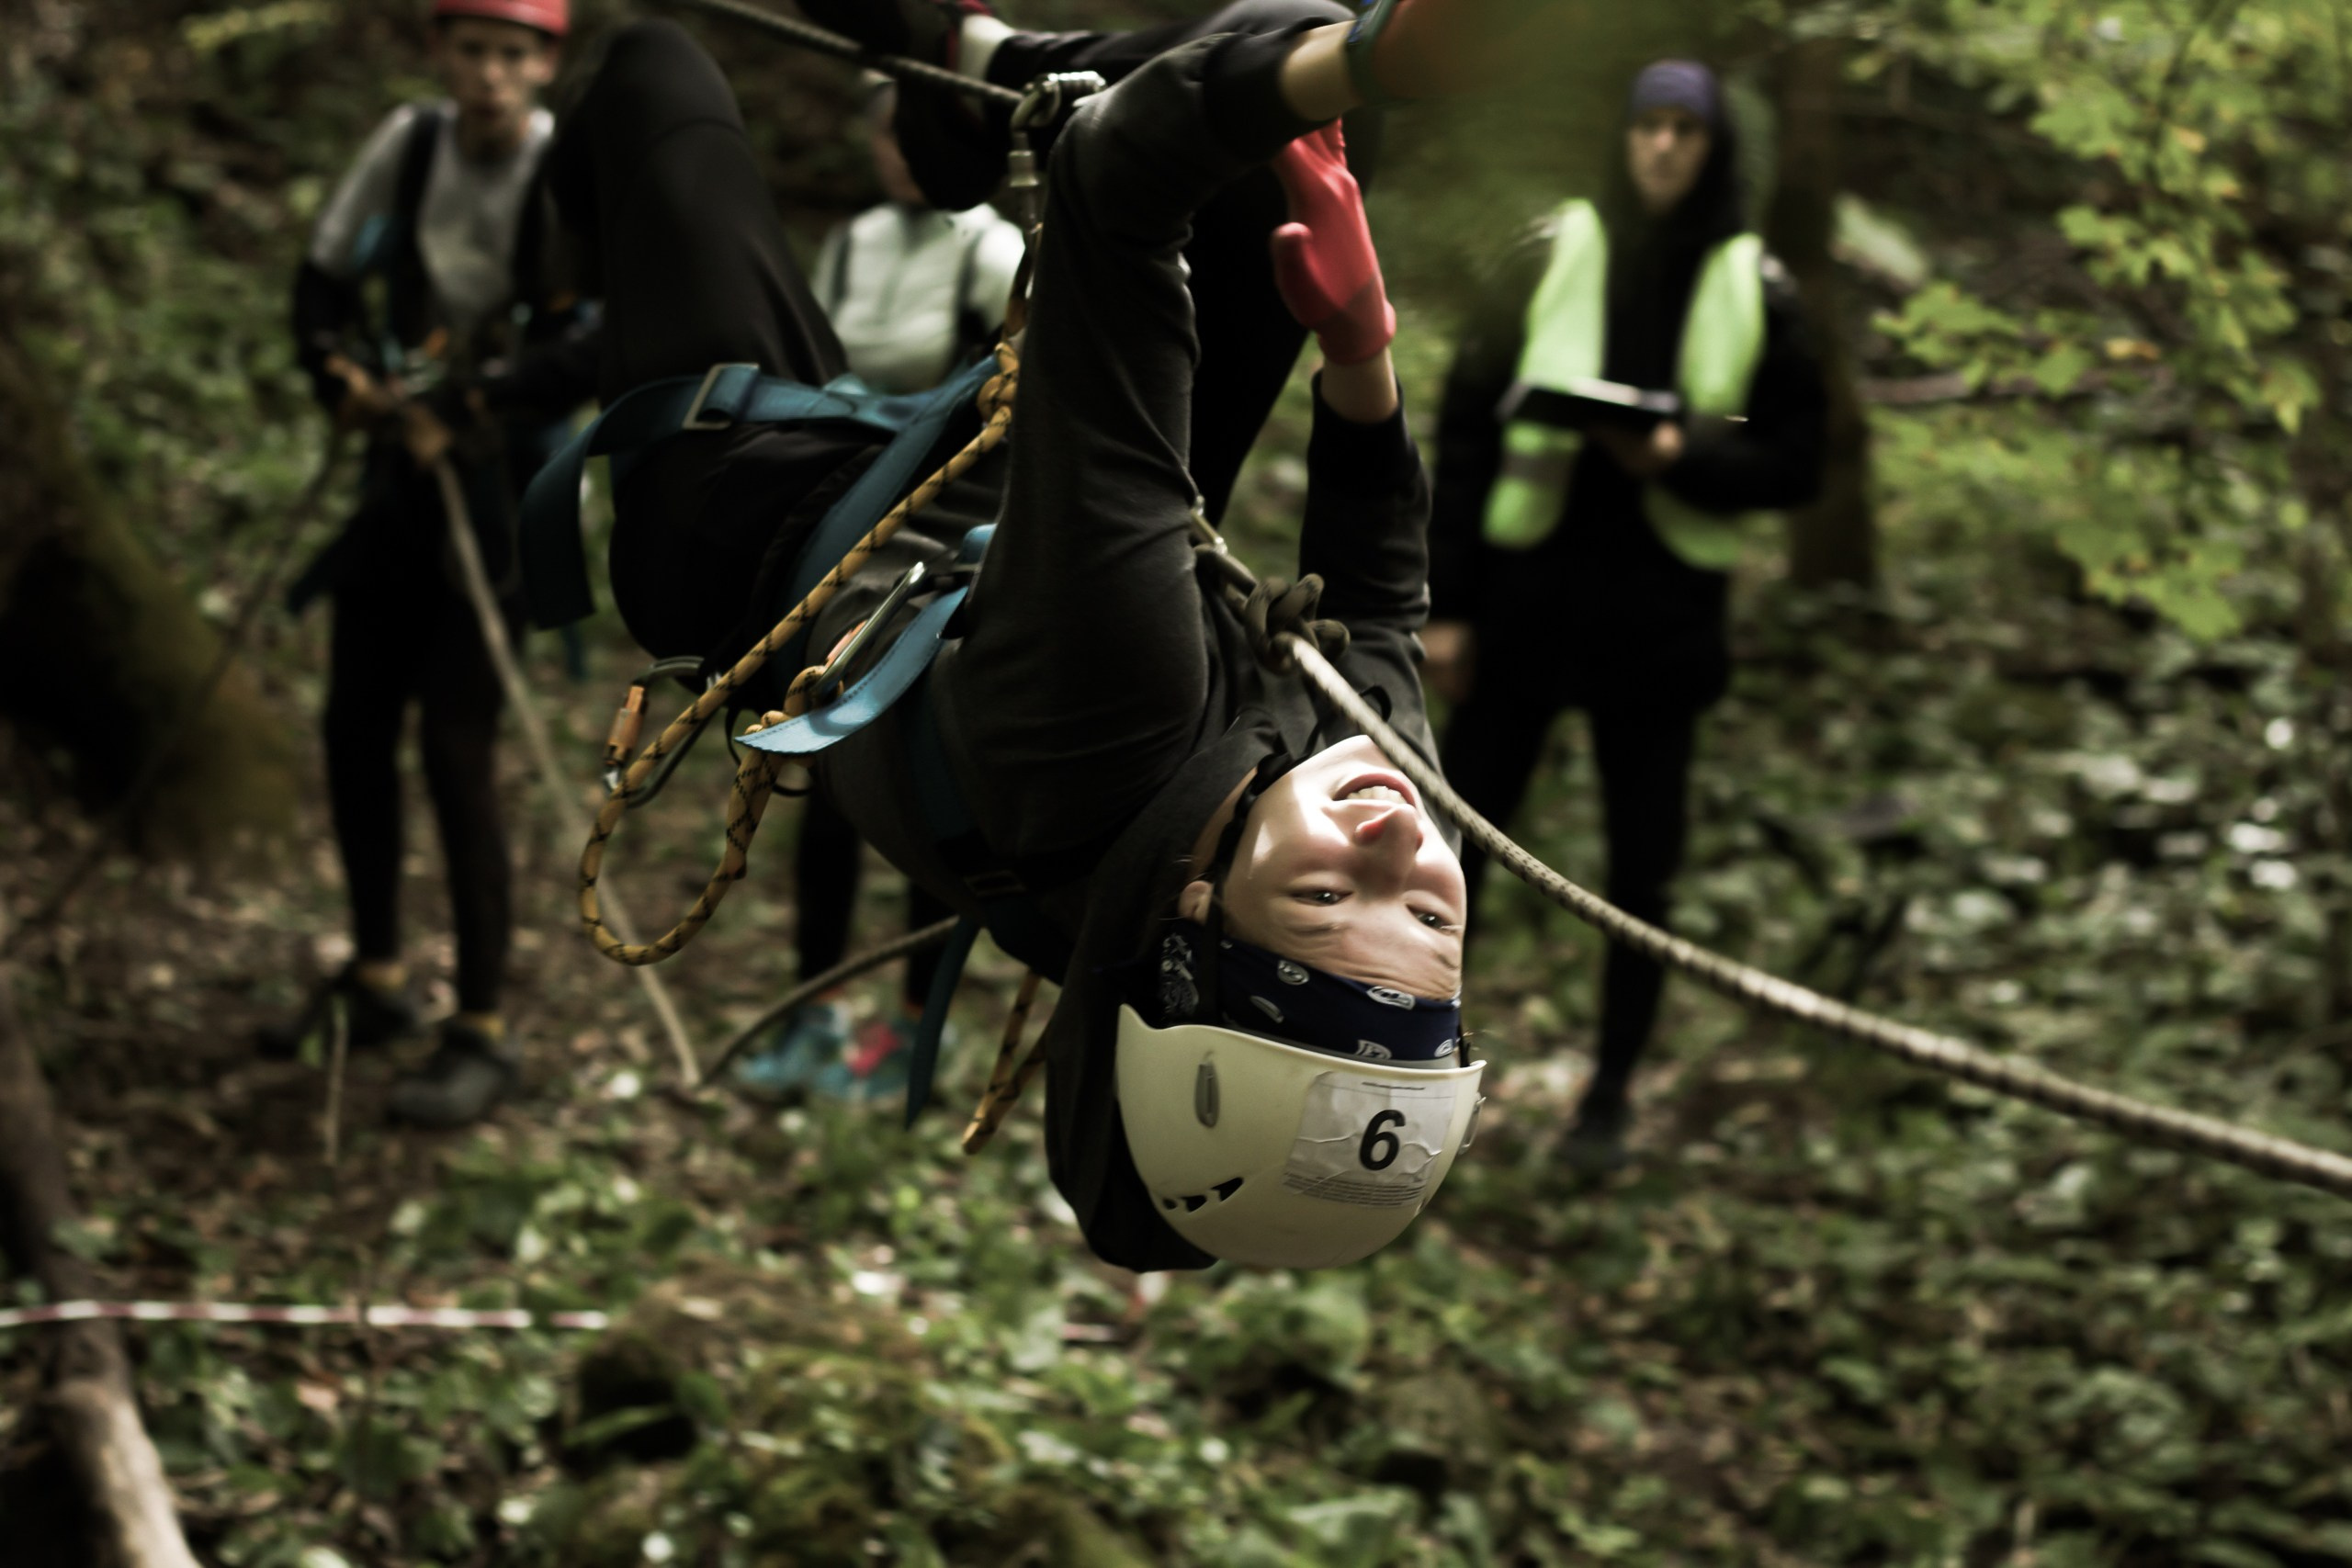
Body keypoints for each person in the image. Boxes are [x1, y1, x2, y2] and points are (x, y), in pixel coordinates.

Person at [539, 0, 1515, 1269]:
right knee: (1305, 123)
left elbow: (1117, 194)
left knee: (651, 76)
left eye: (1331, 894)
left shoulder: (1112, 713)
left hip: (752, 533)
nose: (1398, 837)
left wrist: (1375, 55)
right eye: (1436, 919)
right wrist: (1358, 343)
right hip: (1002, 536)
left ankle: (986, 79)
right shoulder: (1374, 788)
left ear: (1193, 916)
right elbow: (1381, 598)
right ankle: (975, 95)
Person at [1422, 59, 1826, 1172]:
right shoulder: (1555, 249)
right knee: (1458, 849)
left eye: (1683, 133)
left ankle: (1606, 1098)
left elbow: (1798, 457)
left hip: (1660, 621)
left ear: (1712, 149)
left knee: (1640, 873)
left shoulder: (1758, 283)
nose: (1661, 149)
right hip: (1525, 605)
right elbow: (1463, 430)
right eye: (1646, 127)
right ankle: (1411, 1058)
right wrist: (1446, 606)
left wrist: (1682, 450)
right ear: (1622, 137)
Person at [264, 0, 598, 1129]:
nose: (492, 76)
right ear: (440, 53)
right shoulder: (409, 144)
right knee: (353, 723)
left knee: (456, 748)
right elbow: (319, 283)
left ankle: (484, 1025)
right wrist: (343, 378)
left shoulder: (566, 173)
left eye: (514, 54)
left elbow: (591, 343)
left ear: (546, 63)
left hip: (506, 493)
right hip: (401, 478)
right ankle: (375, 977)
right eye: (474, 50)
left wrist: (467, 409)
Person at [741, 83, 1026, 1101]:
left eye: (924, 132)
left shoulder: (993, 254)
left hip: (944, 561)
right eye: (887, 129)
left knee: (920, 794)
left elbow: (1011, 418)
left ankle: (917, 1025)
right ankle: (814, 1008)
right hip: (846, 551)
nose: (902, 152)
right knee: (822, 785)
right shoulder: (855, 244)